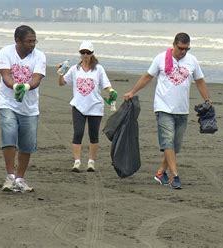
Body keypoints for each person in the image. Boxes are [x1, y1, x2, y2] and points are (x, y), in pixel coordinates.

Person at [124, 32, 211, 189]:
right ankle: (175, 176)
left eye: (187, 49)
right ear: (174, 45)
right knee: (168, 141)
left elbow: (200, 81)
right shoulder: (161, 58)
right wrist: (132, 92)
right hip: (163, 107)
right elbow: (147, 77)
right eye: (181, 48)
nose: (184, 51)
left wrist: (207, 100)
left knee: (175, 146)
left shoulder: (192, 61)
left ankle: (160, 173)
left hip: (182, 109)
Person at [0, 25, 46, 192]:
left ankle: (20, 178)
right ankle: (10, 176)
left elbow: (37, 79)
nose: (32, 44)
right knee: (9, 133)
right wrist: (16, 86)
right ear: (17, 40)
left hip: (30, 107)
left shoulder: (39, 56)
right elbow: (6, 76)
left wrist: (25, 87)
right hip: (8, 102)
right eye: (29, 41)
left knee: (27, 143)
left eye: (34, 41)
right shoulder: (6, 52)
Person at [57, 41, 117, 173]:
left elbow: (105, 85)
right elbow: (62, 83)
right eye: (83, 52)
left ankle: (91, 162)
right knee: (78, 133)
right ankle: (77, 161)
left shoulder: (98, 69)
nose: (85, 55)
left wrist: (111, 91)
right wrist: (60, 73)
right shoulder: (74, 69)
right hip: (78, 106)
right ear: (80, 54)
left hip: (95, 106)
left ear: (92, 54)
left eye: (88, 52)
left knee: (93, 135)